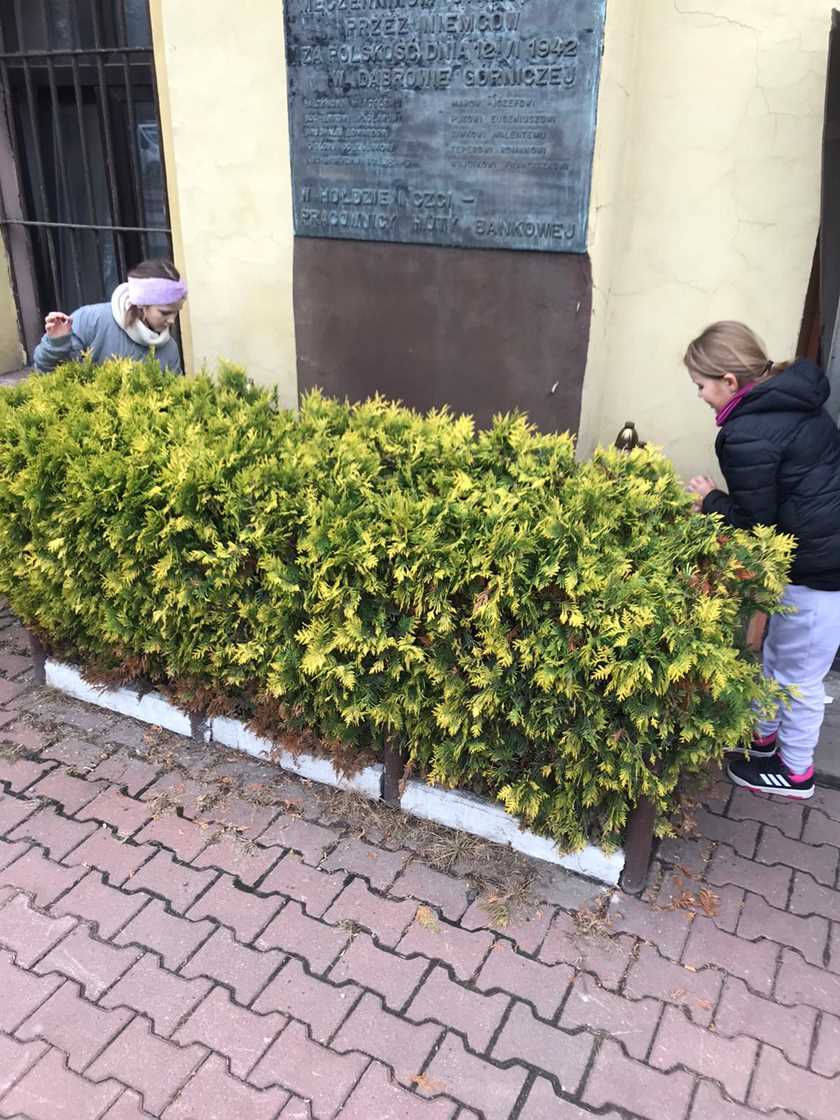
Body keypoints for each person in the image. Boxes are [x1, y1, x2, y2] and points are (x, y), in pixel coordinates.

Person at [684, 320, 840, 799]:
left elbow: (757, 524)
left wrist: (711, 500)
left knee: (800, 677)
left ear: (729, 382)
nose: (699, 395)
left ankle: (795, 772)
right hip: (816, 560)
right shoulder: (792, 401)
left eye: (701, 385)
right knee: (779, 656)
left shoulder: (748, 430)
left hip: (819, 572)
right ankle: (763, 737)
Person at [33, 258, 186, 373]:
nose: (172, 320)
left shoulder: (169, 349)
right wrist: (57, 343)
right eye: (165, 312)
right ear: (141, 303)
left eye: (176, 312)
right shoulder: (90, 321)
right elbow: (45, 370)